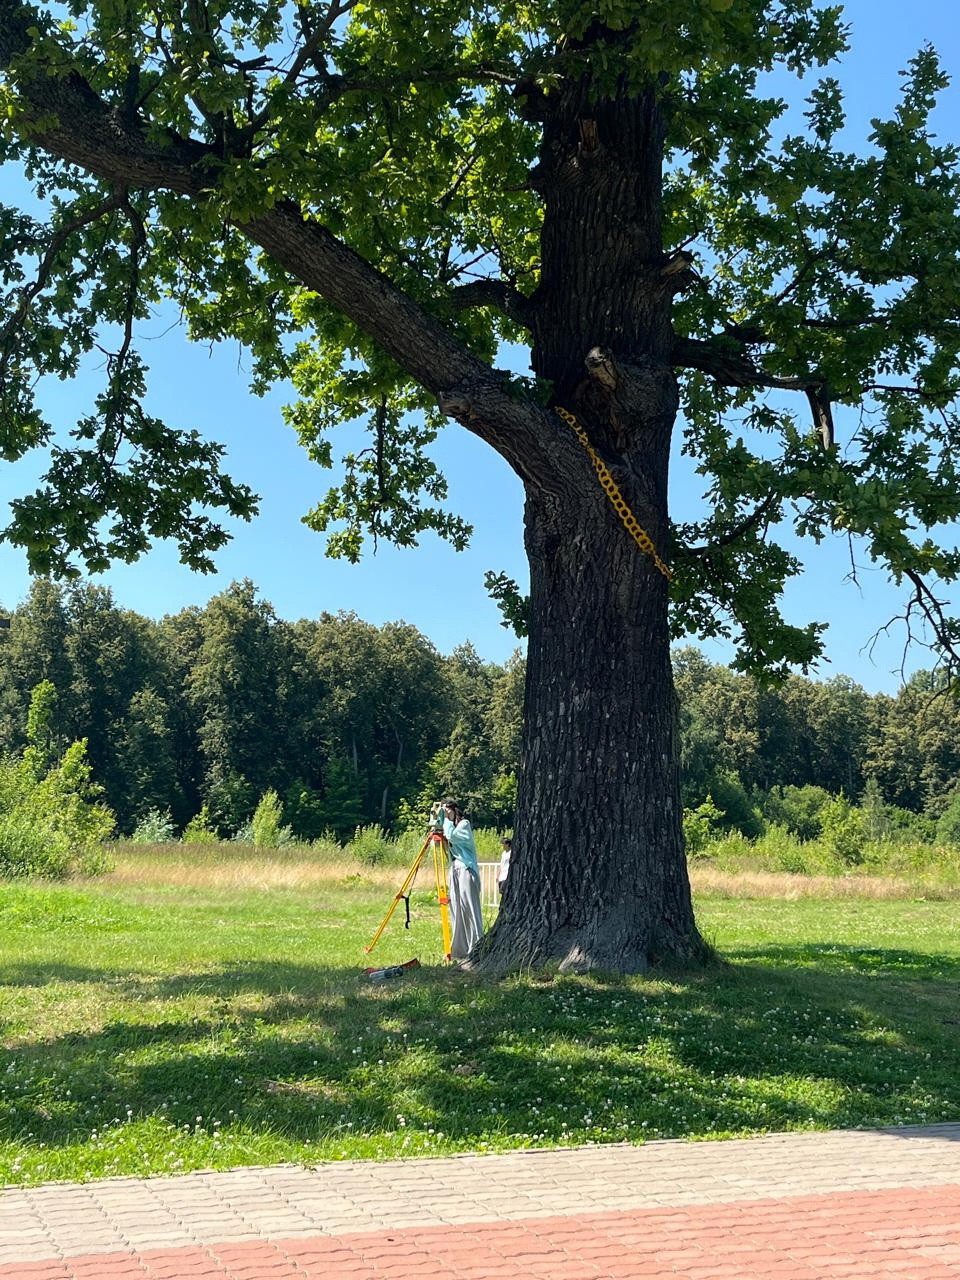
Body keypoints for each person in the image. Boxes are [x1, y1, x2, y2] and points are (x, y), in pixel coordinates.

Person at [431, 798, 483, 961]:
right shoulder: (448, 825)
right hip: (454, 868)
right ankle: (459, 950)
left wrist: (445, 821)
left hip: (466, 869)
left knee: (470, 908)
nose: (445, 814)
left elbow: (452, 836)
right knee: (456, 909)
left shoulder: (464, 824)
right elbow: (442, 843)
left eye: (447, 810)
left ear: (454, 810)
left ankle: (477, 946)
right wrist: (437, 824)